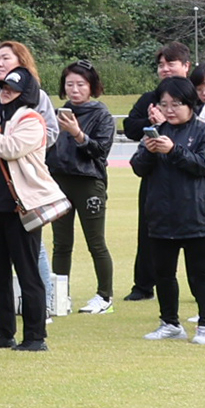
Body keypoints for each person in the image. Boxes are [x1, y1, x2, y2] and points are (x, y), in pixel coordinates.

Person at [0, 48, 66, 351]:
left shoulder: (31, 119)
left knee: (27, 271)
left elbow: (9, 148)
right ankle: (4, 331)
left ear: (25, 92)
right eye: (3, 88)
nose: (6, 93)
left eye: (12, 89)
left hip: (20, 207)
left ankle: (35, 336)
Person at [127, 81, 205, 342]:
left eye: (176, 104)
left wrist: (173, 150)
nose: (170, 110)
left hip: (198, 214)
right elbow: (138, 167)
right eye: (164, 104)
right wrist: (150, 153)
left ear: (190, 103)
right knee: (163, 274)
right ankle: (169, 322)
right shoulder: (155, 131)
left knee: (202, 273)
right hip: (161, 215)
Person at [115, 44, 195, 305]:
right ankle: (144, 284)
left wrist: (165, 119)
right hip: (154, 172)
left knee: (196, 235)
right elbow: (129, 127)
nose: (165, 69)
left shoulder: (195, 95)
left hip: (188, 172)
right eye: (161, 65)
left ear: (186, 66)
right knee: (148, 229)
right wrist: (152, 123)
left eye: (171, 63)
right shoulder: (149, 98)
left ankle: (199, 286)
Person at [44, 63, 116, 316]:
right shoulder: (54, 113)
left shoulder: (102, 115)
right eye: (70, 84)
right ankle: (60, 296)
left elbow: (100, 152)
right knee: (61, 244)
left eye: (81, 84)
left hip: (88, 182)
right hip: (58, 182)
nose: (74, 90)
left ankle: (104, 296)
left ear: (92, 87)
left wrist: (77, 134)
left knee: (95, 242)